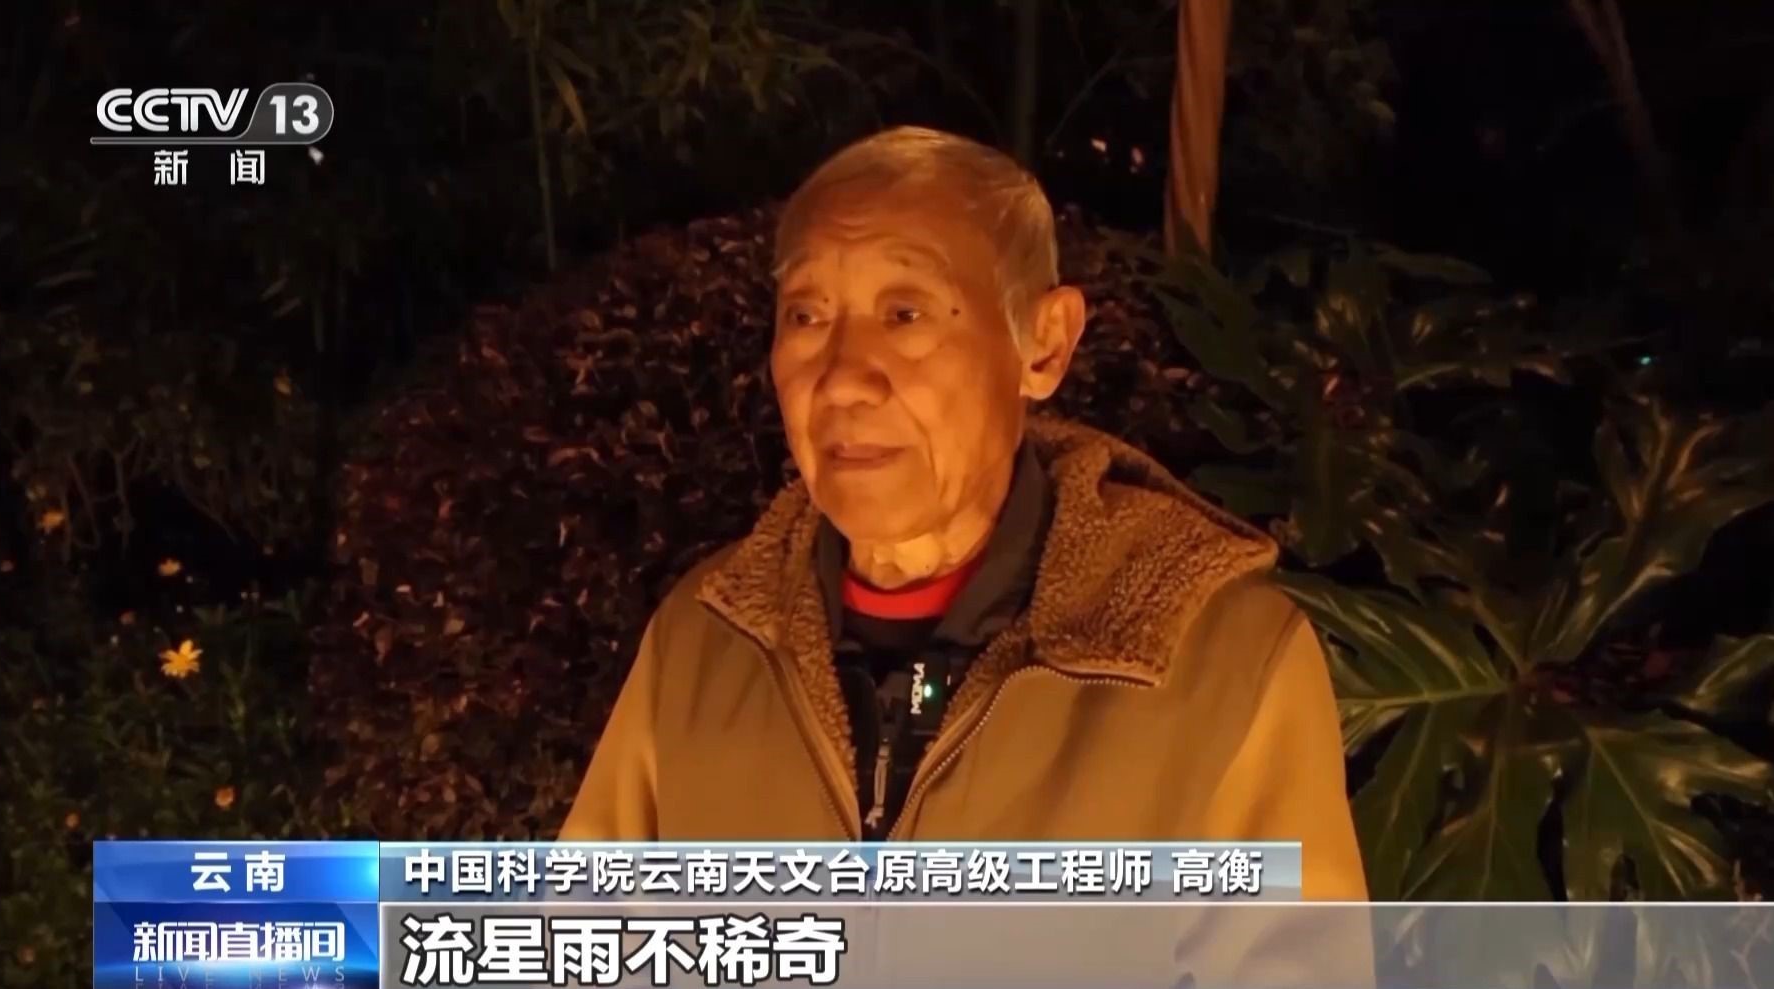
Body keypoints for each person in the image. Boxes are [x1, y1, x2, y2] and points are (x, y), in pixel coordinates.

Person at [561, 125, 1368, 904]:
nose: (841, 378)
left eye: (904, 314)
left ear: (1043, 345)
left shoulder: (1222, 662)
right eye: (807, 316)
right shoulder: (703, 643)